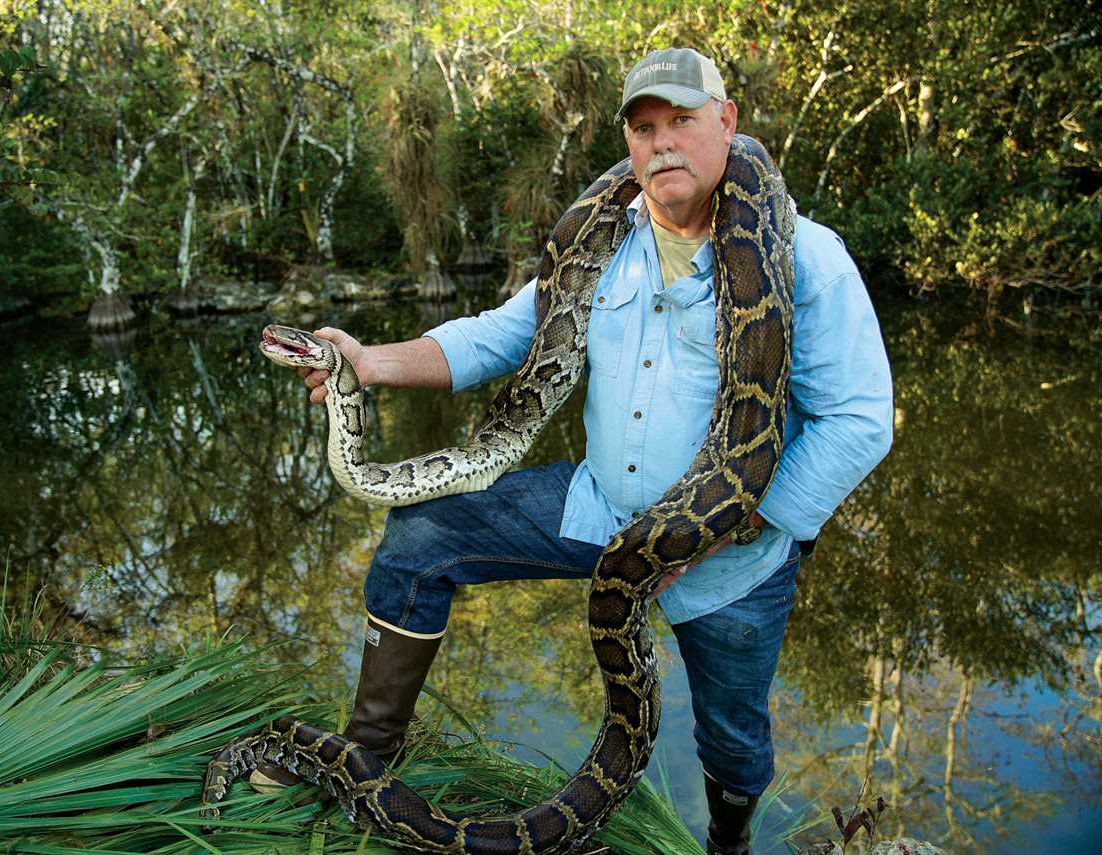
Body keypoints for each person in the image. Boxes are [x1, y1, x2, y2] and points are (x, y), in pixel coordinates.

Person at [257, 47, 893, 855]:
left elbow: (860, 421)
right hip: (598, 506)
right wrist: (367, 361)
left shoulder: (808, 257)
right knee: (421, 536)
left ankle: (727, 841)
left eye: (682, 122)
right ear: (628, 146)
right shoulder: (601, 240)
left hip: (735, 548)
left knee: (732, 738)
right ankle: (365, 755)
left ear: (726, 124)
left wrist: (740, 522)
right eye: (644, 128)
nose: (663, 143)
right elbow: (499, 335)